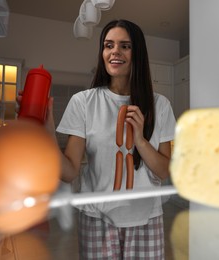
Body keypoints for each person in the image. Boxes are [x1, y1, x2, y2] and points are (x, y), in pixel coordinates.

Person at [48, 19, 176, 259]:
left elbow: (164, 171)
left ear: (137, 52)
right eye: (108, 45)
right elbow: (68, 172)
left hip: (146, 219)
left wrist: (140, 140)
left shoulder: (160, 105)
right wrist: (46, 131)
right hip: (97, 218)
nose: (115, 51)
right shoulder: (83, 102)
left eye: (125, 46)